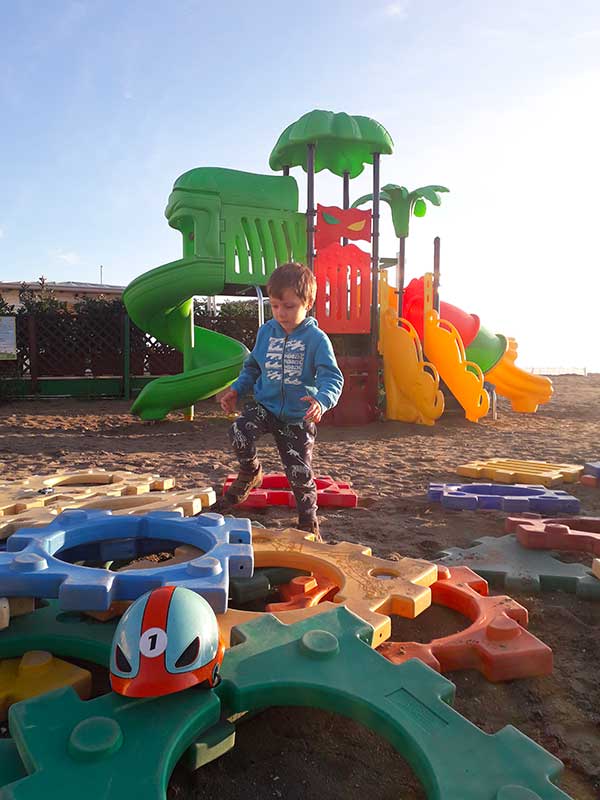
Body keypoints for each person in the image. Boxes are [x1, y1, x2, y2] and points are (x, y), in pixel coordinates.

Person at [218, 262, 343, 540]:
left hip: (298, 416)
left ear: (307, 303)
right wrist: (237, 390)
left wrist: (321, 401)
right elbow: (252, 367)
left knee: (299, 473)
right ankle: (251, 472)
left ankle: (308, 523)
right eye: (275, 306)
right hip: (266, 408)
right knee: (239, 430)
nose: (281, 313)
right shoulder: (266, 332)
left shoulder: (317, 339)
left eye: (289, 306)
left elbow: (332, 377)